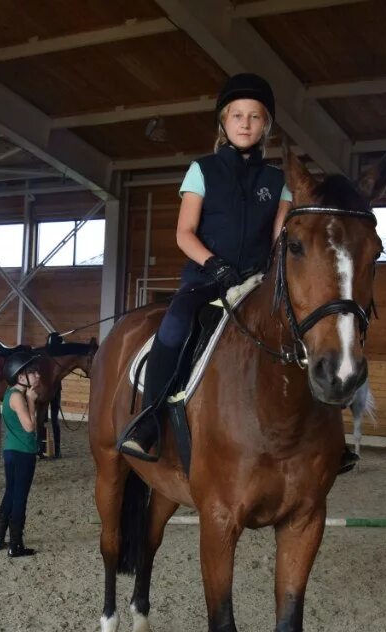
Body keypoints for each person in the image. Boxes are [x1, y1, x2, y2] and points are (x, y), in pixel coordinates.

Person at [117, 72, 293, 462]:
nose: (245, 123)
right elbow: (184, 233)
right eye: (237, 116)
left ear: (266, 126)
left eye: (255, 116)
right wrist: (214, 266)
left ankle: (320, 428)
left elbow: (280, 240)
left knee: (303, 328)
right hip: (206, 280)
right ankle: (150, 418)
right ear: (224, 122)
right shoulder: (202, 170)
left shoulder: (278, 181)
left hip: (257, 284)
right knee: (176, 321)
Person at [0, 351, 42, 558]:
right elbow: (30, 427)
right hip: (23, 452)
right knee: (20, 497)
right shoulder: (19, 397)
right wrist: (31, 401)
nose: (37, 375)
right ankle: (16, 545)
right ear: (21, 377)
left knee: (11, 493)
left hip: (11, 450)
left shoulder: (9, 393)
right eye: (32, 372)